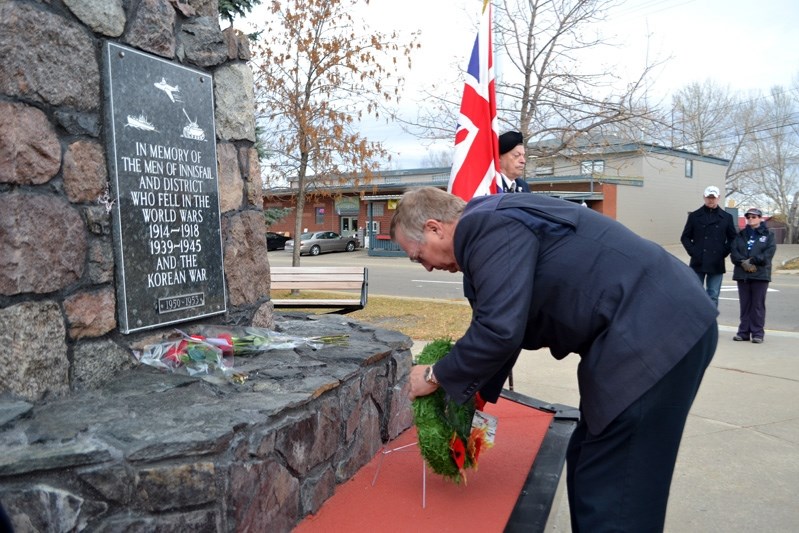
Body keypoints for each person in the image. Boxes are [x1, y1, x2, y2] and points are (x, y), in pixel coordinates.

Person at [391, 187, 718, 532]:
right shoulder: (494, 216)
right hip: (655, 325)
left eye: (418, 256)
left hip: (652, 333)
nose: (426, 267)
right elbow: (508, 318)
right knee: (588, 460)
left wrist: (432, 376)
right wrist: (477, 397)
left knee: (615, 486)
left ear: (434, 228)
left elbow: (499, 329)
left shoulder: (482, 227)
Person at [680, 185, 737, 306]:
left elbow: (733, 238)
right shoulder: (694, 216)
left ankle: (711, 324)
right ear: (704, 197)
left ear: (719, 198)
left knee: (713, 295)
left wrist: (723, 252)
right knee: (695, 295)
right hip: (698, 261)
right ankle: (696, 323)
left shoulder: (726, 218)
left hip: (716, 262)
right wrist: (693, 252)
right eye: (708, 197)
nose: (711, 200)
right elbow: (685, 237)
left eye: (713, 197)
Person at [730, 208, 776, 344]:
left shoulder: (768, 235)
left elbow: (769, 252)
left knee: (757, 305)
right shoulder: (740, 234)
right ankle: (743, 332)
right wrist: (743, 263)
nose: (751, 218)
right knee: (745, 305)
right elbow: (734, 251)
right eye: (748, 216)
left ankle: (757, 333)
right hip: (742, 274)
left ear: (760, 218)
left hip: (760, 274)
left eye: (754, 216)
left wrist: (752, 261)